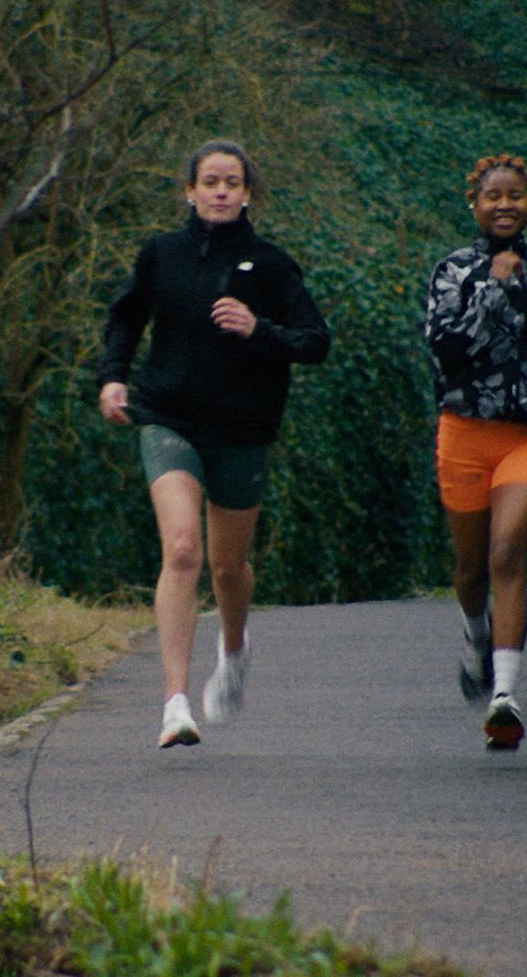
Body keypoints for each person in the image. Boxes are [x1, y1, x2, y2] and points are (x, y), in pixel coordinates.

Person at [96, 139, 331, 749]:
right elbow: (125, 317)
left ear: (248, 193)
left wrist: (259, 330)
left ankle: (233, 650)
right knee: (181, 549)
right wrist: (113, 377)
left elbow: (314, 341)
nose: (222, 191)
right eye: (210, 182)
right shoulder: (163, 254)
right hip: (168, 415)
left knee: (228, 567)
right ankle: (175, 703)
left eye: (233, 182)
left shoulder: (272, 265)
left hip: (242, 428)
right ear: (191, 192)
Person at [423, 153, 527, 751]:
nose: (504, 205)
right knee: (470, 570)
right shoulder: (452, 271)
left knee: (506, 556)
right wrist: (492, 288)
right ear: (474, 204)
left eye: (515, 195)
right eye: (493, 196)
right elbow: (447, 348)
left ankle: (505, 697)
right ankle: (475, 634)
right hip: (466, 431)